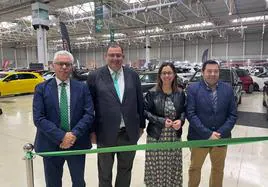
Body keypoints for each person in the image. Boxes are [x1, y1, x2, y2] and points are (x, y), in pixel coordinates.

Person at [33, 50, 94, 187]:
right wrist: (62, 136)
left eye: (67, 64)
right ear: (53, 66)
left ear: (72, 66)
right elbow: (38, 118)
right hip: (50, 144)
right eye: (60, 64)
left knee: (78, 182)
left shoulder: (82, 88)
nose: (64, 67)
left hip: (76, 143)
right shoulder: (41, 89)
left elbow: (89, 114)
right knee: (53, 183)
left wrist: (73, 135)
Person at [87, 42, 145, 187]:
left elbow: (140, 101)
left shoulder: (132, 75)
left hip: (129, 132)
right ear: (105, 56)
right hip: (104, 134)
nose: (115, 58)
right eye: (111, 55)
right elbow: (89, 107)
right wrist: (92, 131)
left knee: (125, 170)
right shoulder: (95, 76)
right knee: (105, 172)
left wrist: (141, 125)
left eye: (118, 55)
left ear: (123, 57)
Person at [186, 60, 237, 187]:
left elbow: (232, 115)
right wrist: (208, 134)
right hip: (198, 137)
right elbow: (191, 114)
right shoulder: (193, 89)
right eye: (209, 71)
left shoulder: (228, 89)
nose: (212, 74)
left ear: (219, 72)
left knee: (218, 170)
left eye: (216, 71)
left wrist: (219, 133)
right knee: (195, 169)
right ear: (202, 72)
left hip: (221, 138)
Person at [143, 62, 186, 187]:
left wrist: (181, 121)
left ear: (174, 75)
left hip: (174, 136)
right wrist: (161, 121)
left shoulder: (180, 93)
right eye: (164, 73)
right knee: (156, 167)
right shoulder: (152, 93)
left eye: (169, 73)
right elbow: (145, 112)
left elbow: (183, 111)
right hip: (156, 136)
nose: (167, 75)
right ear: (160, 75)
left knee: (173, 166)